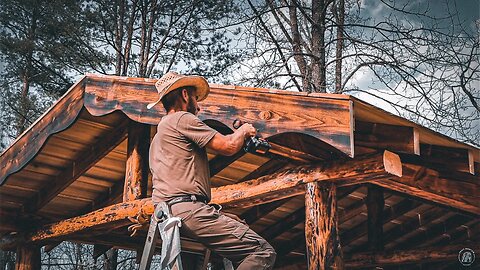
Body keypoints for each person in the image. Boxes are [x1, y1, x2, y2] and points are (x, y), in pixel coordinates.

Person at [148, 72, 276, 269]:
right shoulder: (181, 119)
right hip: (187, 211)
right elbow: (228, 146)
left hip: (171, 212)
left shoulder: (158, 137)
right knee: (261, 252)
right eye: (195, 98)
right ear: (184, 95)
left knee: (238, 225)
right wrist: (243, 131)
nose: (198, 107)